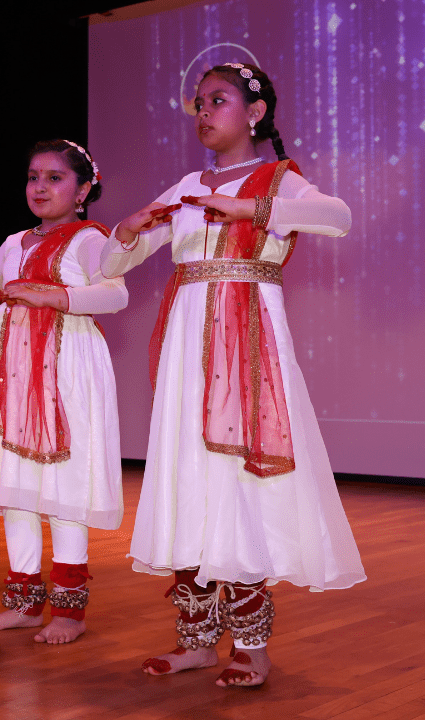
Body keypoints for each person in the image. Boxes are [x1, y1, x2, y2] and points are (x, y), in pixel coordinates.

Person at [102, 63, 366, 687]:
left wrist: (247, 206)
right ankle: (194, 638)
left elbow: (339, 217)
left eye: (217, 100)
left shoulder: (280, 178)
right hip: (187, 341)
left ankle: (251, 643)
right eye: (197, 102)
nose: (203, 111)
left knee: (238, 481)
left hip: (247, 341)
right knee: (186, 475)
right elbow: (115, 261)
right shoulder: (187, 185)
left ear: (254, 111)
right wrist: (127, 230)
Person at [0, 140, 127, 644]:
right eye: (33, 177)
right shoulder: (14, 241)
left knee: (64, 489)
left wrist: (55, 295)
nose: (40, 187)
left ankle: (69, 611)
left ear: (84, 188)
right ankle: (24, 603)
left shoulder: (91, 239)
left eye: (54, 178)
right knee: (19, 488)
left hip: (66, 371)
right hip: (14, 369)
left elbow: (116, 293)